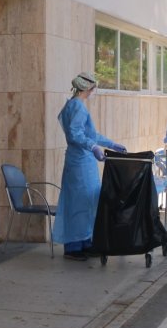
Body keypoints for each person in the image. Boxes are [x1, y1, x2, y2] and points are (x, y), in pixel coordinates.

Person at [51, 72, 126, 261]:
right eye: (94, 89)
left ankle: (85, 242)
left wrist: (110, 144)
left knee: (86, 202)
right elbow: (75, 134)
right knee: (80, 203)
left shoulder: (73, 105)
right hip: (80, 163)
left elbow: (91, 134)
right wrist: (92, 147)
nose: (95, 92)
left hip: (82, 161)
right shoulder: (77, 106)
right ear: (88, 89)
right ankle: (74, 247)